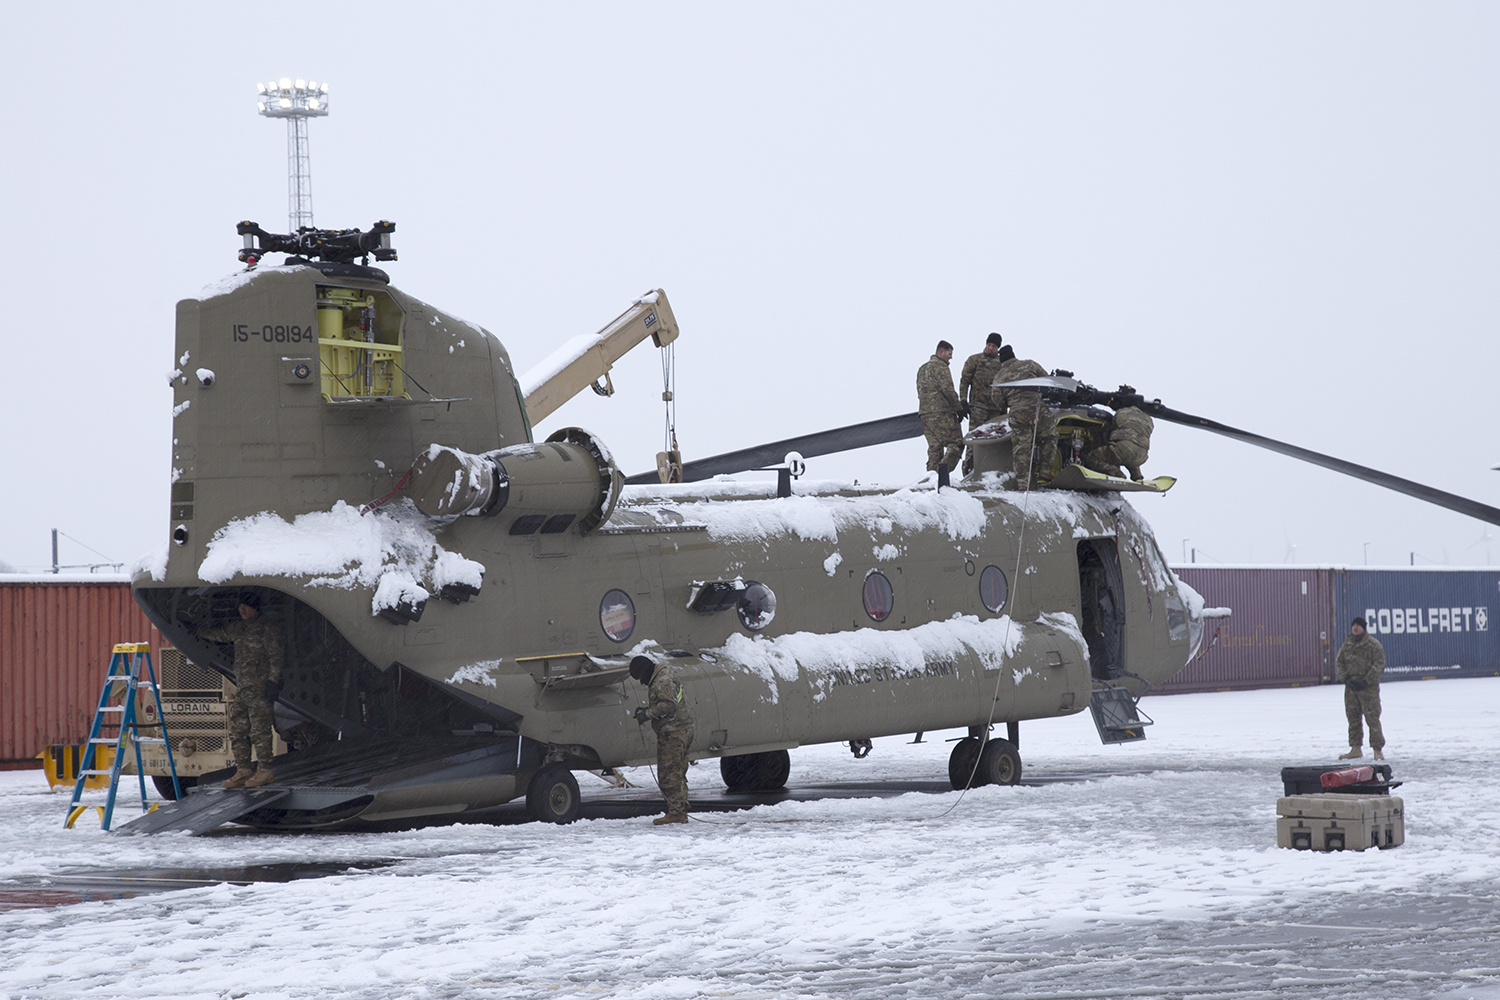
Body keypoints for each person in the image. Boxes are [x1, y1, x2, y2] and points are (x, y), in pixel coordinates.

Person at [197, 592, 285, 788]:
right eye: (240, 606)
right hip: (244, 688)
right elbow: (218, 635)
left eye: (246, 606)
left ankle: (264, 770)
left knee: (260, 731)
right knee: (237, 730)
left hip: (260, 688)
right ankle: (243, 770)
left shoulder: (267, 630)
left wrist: (273, 681)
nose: (242, 609)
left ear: (256, 607)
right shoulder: (239, 629)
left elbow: (276, 657)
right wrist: (196, 631)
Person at [630, 655, 696, 824]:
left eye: (639, 677)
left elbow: (669, 704)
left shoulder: (662, 681)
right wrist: (648, 709)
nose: (640, 682)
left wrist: (647, 714)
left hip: (673, 732)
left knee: (669, 774)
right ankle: (680, 810)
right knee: (678, 772)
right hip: (680, 729)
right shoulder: (663, 676)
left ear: (644, 672)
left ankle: (677, 813)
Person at [990, 344, 1058, 490]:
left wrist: (1009, 403)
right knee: (1050, 435)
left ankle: (1023, 483)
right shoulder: (1029, 364)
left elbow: (997, 401)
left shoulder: (999, 376)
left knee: (1021, 448)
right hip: (1038, 408)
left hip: (1017, 412)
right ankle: (1046, 470)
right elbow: (1047, 379)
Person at [1335, 617, 1386, 761]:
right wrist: (1346, 679)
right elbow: (1340, 662)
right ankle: (1355, 748)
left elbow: (1379, 665)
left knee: (1372, 718)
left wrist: (1365, 681)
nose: (1355, 628)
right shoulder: (1348, 644)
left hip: (1368, 688)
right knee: (1353, 718)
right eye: (1354, 625)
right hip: (1351, 688)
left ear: (1364, 627)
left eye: (1358, 625)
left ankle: (1377, 750)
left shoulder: (1373, 645)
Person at [958, 333, 1006, 474]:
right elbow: (964, 381)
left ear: (998, 348)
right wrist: (963, 400)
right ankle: (967, 470)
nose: (990, 348)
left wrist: (1005, 406)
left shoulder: (1002, 363)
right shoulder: (975, 360)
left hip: (996, 410)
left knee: (995, 441)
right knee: (974, 440)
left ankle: (990, 472)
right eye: (989, 345)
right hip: (978, 407)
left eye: (994, 346)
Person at [916, 341, 965, 474]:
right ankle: (940, 476)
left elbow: (920, 392)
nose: (951, 357)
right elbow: (948, 389)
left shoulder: (922, 369)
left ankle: (929, 482)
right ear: (941, 352)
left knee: (935, 449)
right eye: (949, 353)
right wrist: (959, 407)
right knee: (956, 444)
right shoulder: (941, 367)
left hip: (925, 415)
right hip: (942, 413)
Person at [1083, 405, 1154, 481]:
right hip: (1142, 456)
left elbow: (1109, 429)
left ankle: (1117, 473)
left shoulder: (1121, 412)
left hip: (1122, 449)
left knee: (1092, 457)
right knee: (1130, 455)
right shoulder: (1146, 418)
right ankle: (1137, 477)